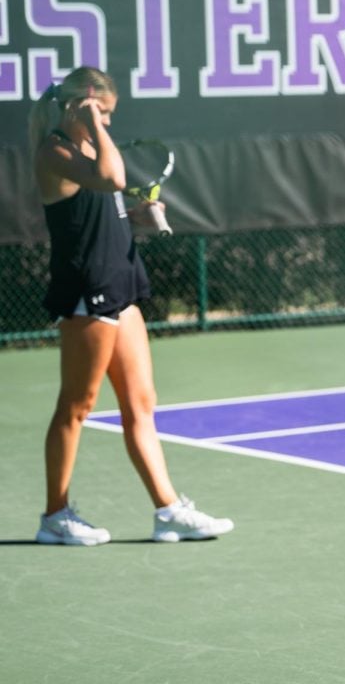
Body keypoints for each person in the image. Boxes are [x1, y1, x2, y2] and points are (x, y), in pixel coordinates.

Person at [30, 65, 233, 546]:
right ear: (80, 106)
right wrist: (94, 125)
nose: (109, 123)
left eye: (110, 116)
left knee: (141, 405)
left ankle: (167, 511)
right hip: (87, 291)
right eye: (104, 112)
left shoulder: (89, 150)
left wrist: (139, 216)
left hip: (121, 286)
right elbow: (112, 176)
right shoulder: (54, 150)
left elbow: (105, 208)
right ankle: (54, 517)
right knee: (75, 407)